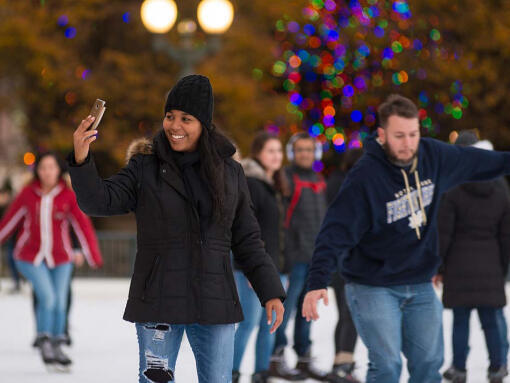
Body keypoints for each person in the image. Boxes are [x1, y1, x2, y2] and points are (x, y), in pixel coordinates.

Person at [67, 74, 286, 383]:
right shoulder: (145, 167)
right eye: (170, 116)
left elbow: (247, 239)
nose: (174, 125)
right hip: (159, 300)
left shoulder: (230, 173)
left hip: (214, 301)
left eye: (186, 118)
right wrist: (81, 158)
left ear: (204, 124)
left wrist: (270, 290)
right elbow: (99, 201)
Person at [303, 94, 510, 383]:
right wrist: (316, 282)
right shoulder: (365, 177)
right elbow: (334, 232)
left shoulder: (433, 156)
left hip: (419, 282)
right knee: (387, 366)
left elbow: (481, 162)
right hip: (372, 284)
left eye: (413, 134)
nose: (408, 143)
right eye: (399, 136)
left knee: (428, 364)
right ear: (382, 134)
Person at [0, 152, 103, 369]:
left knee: (60, 300)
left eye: (52, 167)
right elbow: (9, 222)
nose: (47, 172)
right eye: (43, 168)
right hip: (29, 256)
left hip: (61, 257)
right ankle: (44, 338)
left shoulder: (68, 195)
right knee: (47, 297)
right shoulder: (28, 194)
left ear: (59, 171)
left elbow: (82, 226)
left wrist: (92, 254)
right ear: (37, 170)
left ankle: (57, 344)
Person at [437, 132, 510, 383]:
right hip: (490, 261)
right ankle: (498, 366)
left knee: (460, 321)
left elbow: (444, 233)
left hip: (458, 264)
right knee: (492, 319)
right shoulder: (499, 185)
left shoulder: (452, 186)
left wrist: (440, 264)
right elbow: (506, 233)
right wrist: (502, 265)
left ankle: (459, 368)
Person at [269, 132, 342, 382]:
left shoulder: (319, 180)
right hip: (293, 258)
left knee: (306, 311)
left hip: (315, 259)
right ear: (292, 153)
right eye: (299, 150)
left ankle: (303, 357)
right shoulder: (286, 178)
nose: (304, 154)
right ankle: (276, 357)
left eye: (309, 150)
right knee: (285, 311)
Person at [232, 131, 291, 383]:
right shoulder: (251, 184)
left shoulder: (275, 184)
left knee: (271, 324)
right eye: (271, 151)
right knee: (248, 324)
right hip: (253, 269)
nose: (276, 156)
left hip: (277, 268)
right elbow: (242, 229)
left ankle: (261, 372)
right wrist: (249, 268)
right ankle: (231, 372)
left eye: (279, 151)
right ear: (258, 153)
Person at [326, 148, 363, 382]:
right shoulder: (353, 187)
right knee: (351, 314)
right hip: (349, 259)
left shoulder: (333, 182)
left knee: (345, 314)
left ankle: (340, 362)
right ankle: (343, 365)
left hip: (336, 258)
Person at [0, 178, 21, 293]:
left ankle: (18, 281)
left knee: (13, 259)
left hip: (14, 239)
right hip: (6, 238)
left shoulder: (12, 206)